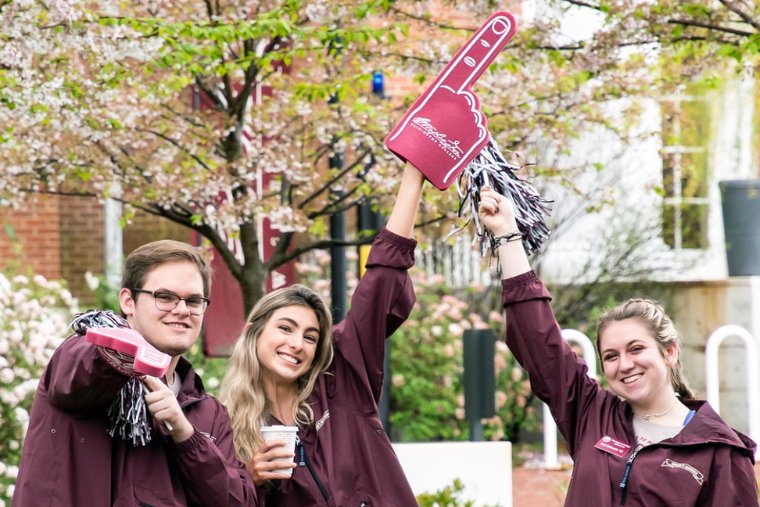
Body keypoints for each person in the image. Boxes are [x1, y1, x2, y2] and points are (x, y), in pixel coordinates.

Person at [478, 187, 758, 506]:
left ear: (670, 352)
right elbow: (539, 342)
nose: (624, 364)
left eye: (636, 349)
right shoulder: (590, 414)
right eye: (611, 356)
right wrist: (507, 234)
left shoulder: (720, 452)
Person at [219, 162, 425, 506]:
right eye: (285, 328)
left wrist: (415, 172)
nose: (296, 344)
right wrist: (247, 480)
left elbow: (381, 282)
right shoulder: (225, 425)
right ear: (254, 332)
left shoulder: (340, 382)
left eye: (310, 337)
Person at [13, 240, 257, 507]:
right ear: (128, 301)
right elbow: (86, 366)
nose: (182, 310)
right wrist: (127, 354)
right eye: (165, 297)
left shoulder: (210, 413)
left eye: (194, 300)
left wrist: (186, 436)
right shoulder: (83, 353)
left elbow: (237, 502)